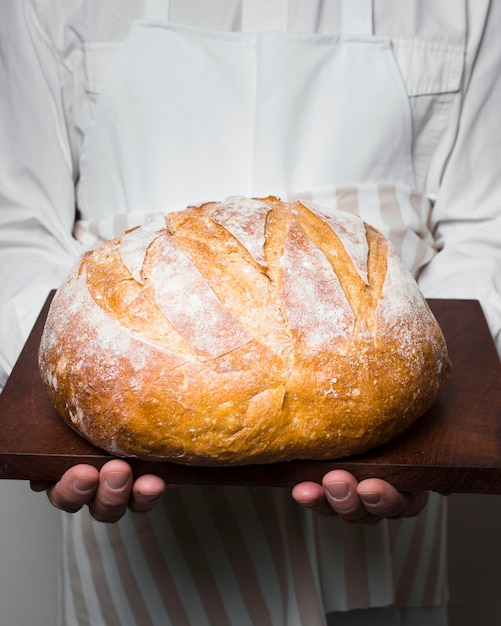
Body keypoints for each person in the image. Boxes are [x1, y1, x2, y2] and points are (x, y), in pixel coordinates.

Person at [1, 1, 500, 624]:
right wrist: (57, 408)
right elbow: (14, 225)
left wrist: (443, 431)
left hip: (388, 495)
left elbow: (489, 225)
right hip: (140, 547)